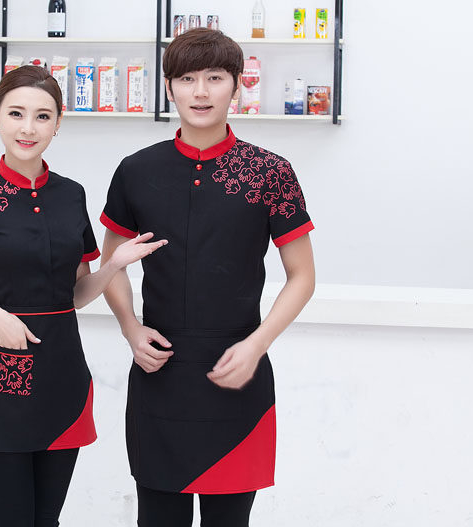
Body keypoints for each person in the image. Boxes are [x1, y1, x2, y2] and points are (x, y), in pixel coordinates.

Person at [0, 65, 166, 527]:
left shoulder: (71, 195)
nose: (28, 128)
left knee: (47, 521)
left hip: (63, 376)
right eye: (16, 113)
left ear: (58, 123)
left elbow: (76, 294)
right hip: (0, 375)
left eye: (42, 116)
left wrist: (114, 265)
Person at [99, 28, 316, 527]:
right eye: (187, 79)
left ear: (236, 85)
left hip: (239, 371)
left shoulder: (269, 171)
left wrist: (257, 345)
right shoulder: (137, 170)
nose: (201, 92)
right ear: (169, 87)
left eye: (215, 78)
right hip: (160, 370)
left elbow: (302, 276)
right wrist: (131, 328)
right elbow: (112, 264)